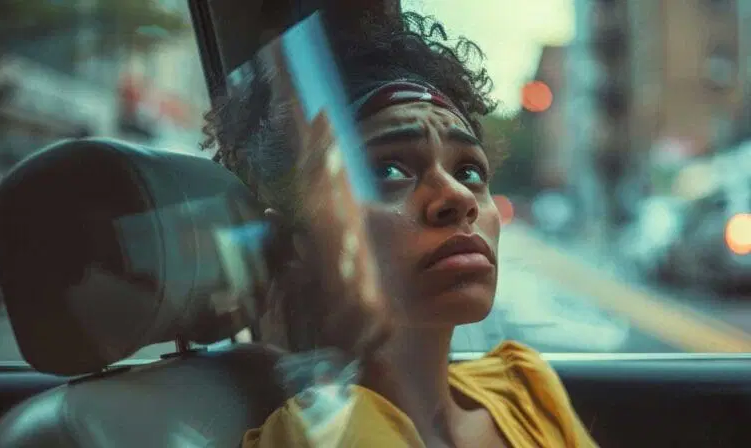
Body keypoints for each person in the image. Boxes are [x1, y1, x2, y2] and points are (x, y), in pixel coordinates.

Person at [203, 11, 597, 448]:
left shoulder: (523, 386)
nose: (459, 198)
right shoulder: (321, 434)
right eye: (387, 169)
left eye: (469, 172)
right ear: (298, 244)